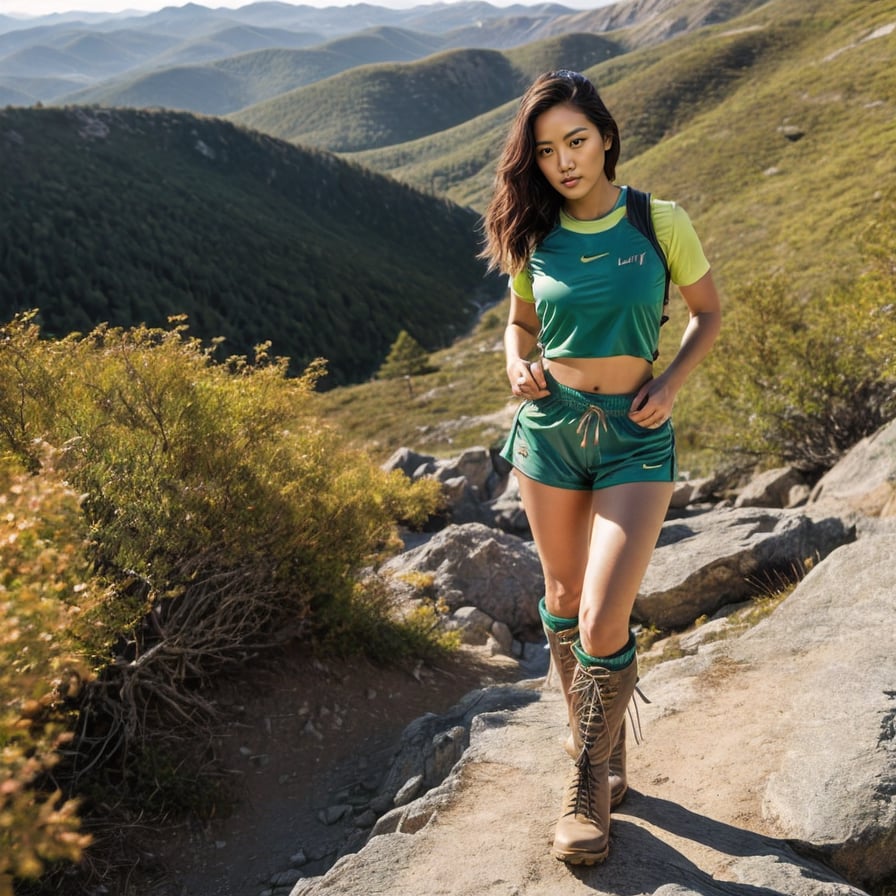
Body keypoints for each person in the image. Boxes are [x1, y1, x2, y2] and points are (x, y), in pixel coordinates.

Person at [480, 70, 721, 866]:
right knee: (559, 597)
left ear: (607, 137)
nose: (563, 162)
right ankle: (600, 740)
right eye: (546, 150)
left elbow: (707, 311)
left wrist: (672, 381)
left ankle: (586, 780)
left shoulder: (659, 220)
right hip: (549, 432)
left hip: (635, 437)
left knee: (602, 617)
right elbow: (518, 323)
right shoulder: (536, 232)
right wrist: (516, 363)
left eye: (576, 141)